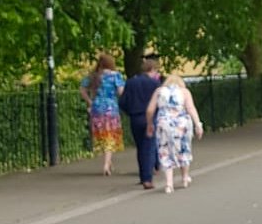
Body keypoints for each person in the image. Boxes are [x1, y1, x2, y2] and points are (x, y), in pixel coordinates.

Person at [146, 73, 203, 194]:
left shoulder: (159, 91)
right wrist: (198, 124)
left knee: (165, 152)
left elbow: (150, 110)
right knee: (184, 149)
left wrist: (150, 124)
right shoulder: (184, 92)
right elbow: (190, 108)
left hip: (164, 124)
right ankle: (185, 178)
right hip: (182, 124)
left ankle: (169, 184)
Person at [80, 53, 125, 176]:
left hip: (97, 108)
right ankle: (106, 164)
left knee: (102, 135)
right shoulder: (115, 76)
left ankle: (109, 162)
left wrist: (90, 101)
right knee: (110, 135)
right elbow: (121, 92)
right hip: (111, 109)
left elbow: (82, 89)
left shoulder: (94, 76)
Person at [120, 54, 162, 188]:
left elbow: (122, 102)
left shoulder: (130, 82)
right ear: (153, 70)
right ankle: (147, 178)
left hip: (135, 118)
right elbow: (160, 102)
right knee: (149, 147)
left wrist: (130, 112)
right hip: (150, 118)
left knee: (140, 147)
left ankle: (142, 175)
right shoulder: (155, 84)